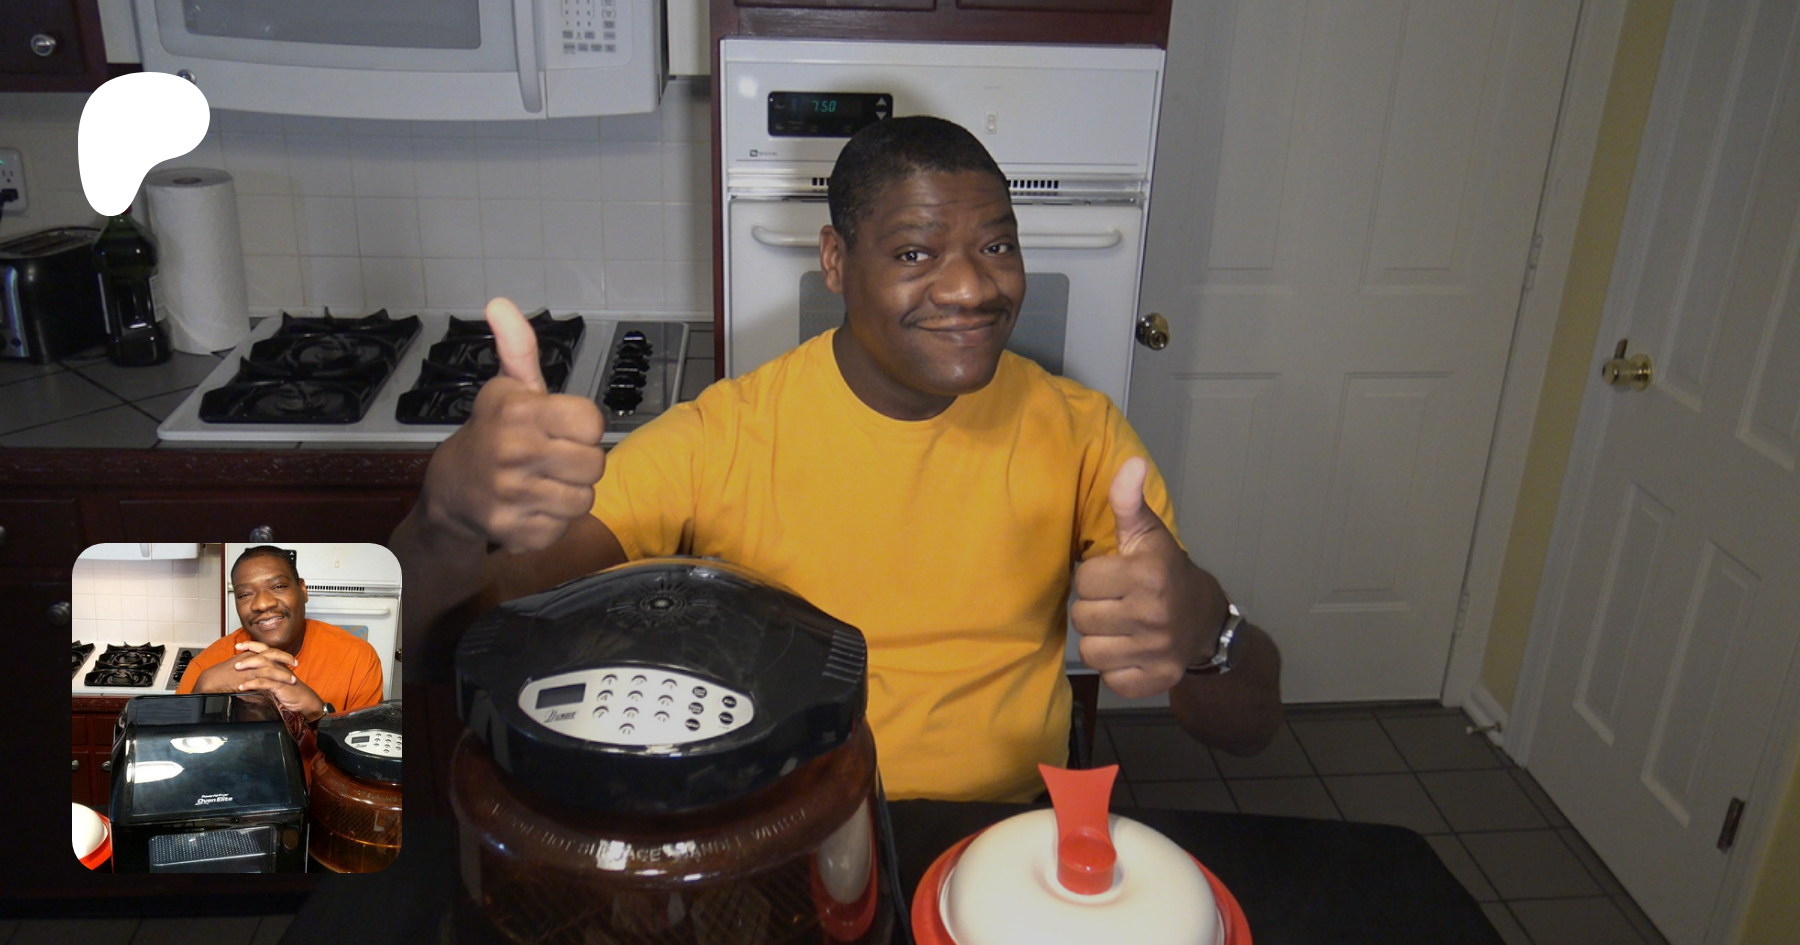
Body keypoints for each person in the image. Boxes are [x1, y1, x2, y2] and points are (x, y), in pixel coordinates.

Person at [392, 116, 1281, 802]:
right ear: (835, 260)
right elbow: (443, 647)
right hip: (781, 833)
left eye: (997, 245)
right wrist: (445, 523)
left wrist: (1210, 632)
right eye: (915, 252)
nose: (972, 286)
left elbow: (1247, 728)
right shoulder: (724, 434)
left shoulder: (1083, 435)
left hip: (999, 841)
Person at [177, 545, 385, 727]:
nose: (262, 604)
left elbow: (365, 756)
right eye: (245, 594)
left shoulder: (357, 658)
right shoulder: (206, 668)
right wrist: (199, 696)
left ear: (302, 590)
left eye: (278, 586)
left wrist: (315, 710)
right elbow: (174, 751)